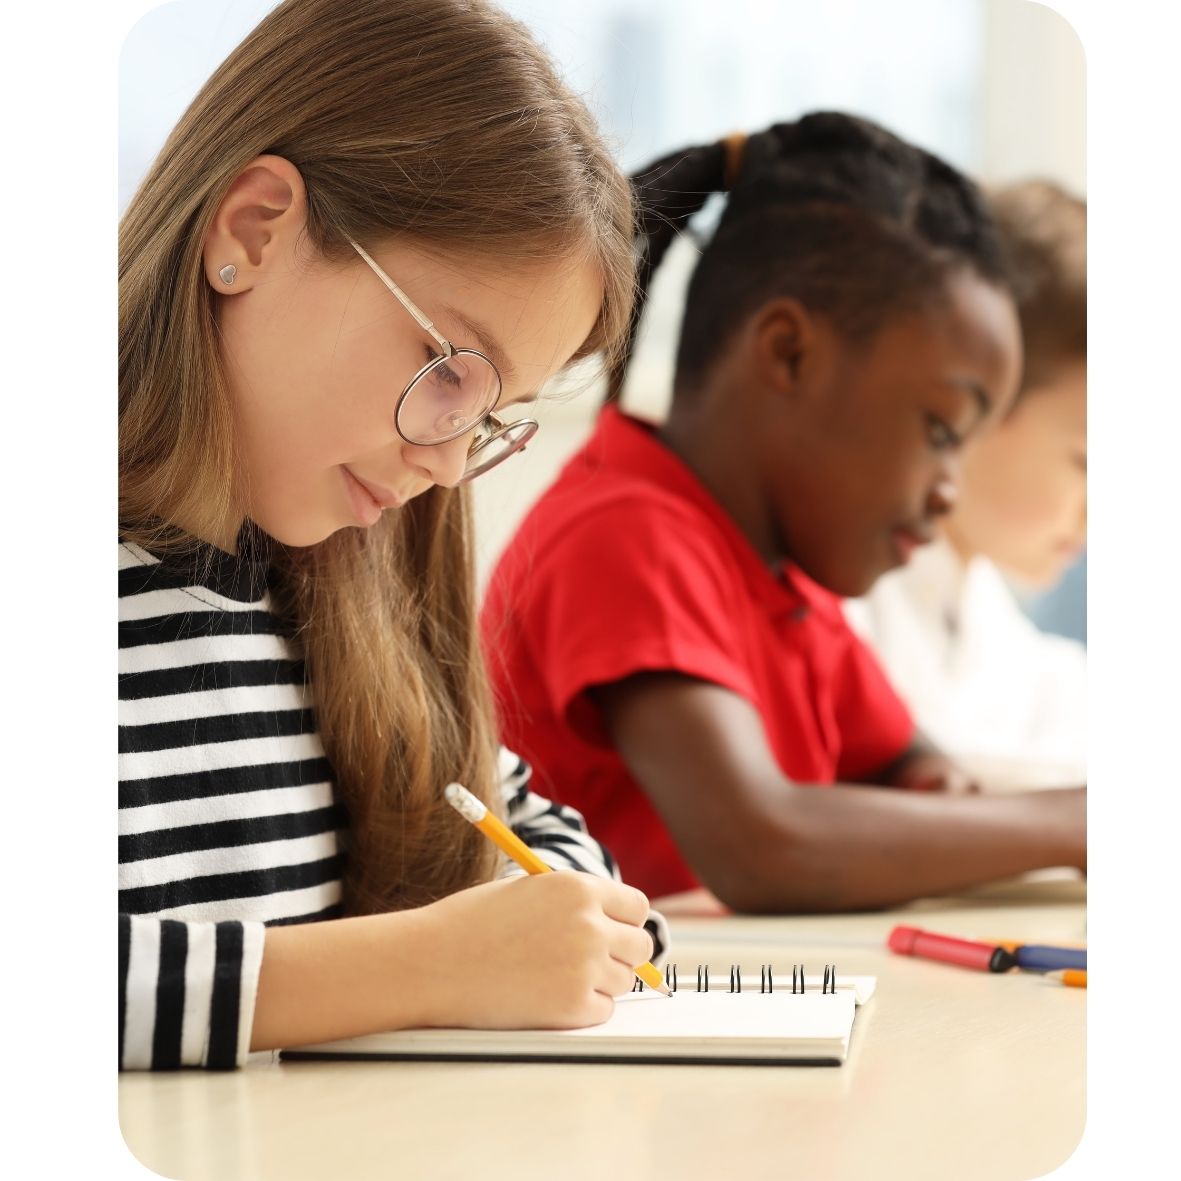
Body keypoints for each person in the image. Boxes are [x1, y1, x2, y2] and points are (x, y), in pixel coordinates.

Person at [119, 0, 664, 1072]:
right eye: (449, 371)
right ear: (253, 231)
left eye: (492, 415)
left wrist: (565, 918)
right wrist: (428, 963)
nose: (450, 462)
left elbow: (529, 824)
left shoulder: (338, 594)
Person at [480, 114, 1087, 912]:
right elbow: (762, 844)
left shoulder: (783, 578)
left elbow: (914, 770)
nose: (948, 487)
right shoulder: (626, 531)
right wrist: (1074, 825)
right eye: (940, 432)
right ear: (788, 354)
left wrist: (959, 795)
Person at [845, 181, 1087, 785]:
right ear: (974, 403)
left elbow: (1056, 693)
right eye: (1087, 463)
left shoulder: (972, 593)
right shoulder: (851, 585)